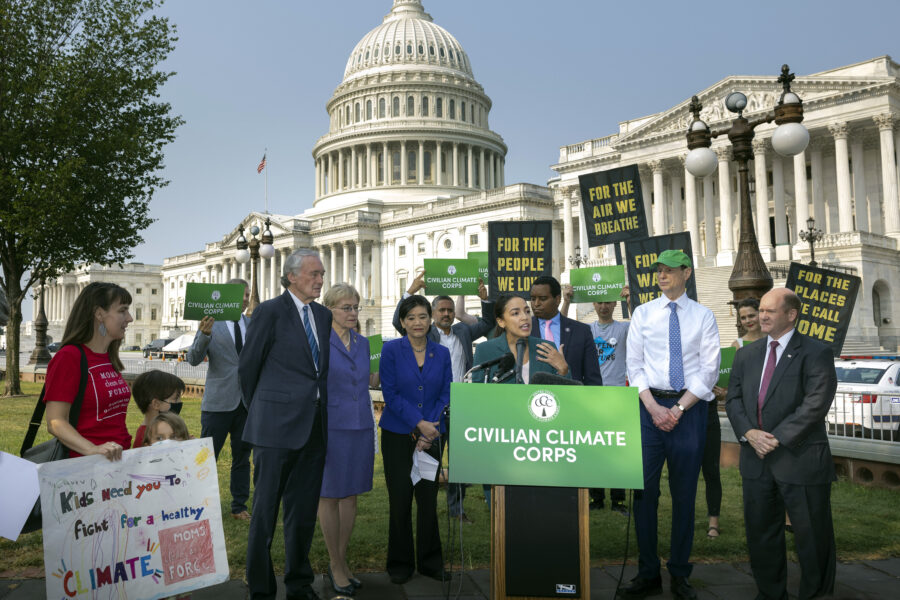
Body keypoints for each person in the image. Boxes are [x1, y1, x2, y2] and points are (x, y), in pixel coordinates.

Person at [726, 288, 838, 600]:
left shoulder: (816, 352)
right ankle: (770, 594)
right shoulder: (747, 354)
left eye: (769, 311)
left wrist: (773, 438)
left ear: (791, 315)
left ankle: (816, 594)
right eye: (760, 310)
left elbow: (816, 402)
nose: (761, 316)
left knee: (812, 537)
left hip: (799, 460)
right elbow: (733, 399)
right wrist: (749, 433)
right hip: (756, 461)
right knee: (761, 536)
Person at [623, 250, 720, 600]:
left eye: (668, 271)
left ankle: (680, 573)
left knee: (684, 496)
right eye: (658, 271)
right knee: (643, 494)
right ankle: (648, 572)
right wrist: (652, 407)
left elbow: (708, 371)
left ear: (687, 272)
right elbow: (634, 365)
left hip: (689, 410)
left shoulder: (704, 316)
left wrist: (677, 409)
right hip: (649, 411)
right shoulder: (644, 314)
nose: (661, 276)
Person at [239, 249, 331, 600]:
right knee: (263, 516)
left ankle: (299, 585)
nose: (320, 280)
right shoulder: (269, 312)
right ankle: (261, 591)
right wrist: (262, 410)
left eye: (321, 274)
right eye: (314, 274)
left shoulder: (322, 316)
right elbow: (248, 369)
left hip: (314, 430)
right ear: (292, 276)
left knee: (303, 516)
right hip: (273, 431)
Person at [393, 270, 495, 523]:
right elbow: (398, 322)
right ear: (432, 314)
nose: (447, 314)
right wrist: (411, 291)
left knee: (461, 460)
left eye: (450, 310)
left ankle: (456, 510)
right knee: (430, 459)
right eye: (442, 310)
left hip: (462, 406)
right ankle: (426, 507)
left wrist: (484, 299)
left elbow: (487, 323)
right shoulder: (426, 334)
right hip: (434, 409)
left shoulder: (463, 332)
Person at [379, 295, 452, 585]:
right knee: (400, 500)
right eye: (411, 318)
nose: (417, 323)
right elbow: (391, 393)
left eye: (422, 316)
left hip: (433, 435)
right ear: (402, 322)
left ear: (430, 318)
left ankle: (431, 562)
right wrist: (418, 424)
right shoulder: (391, 351)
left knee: (427, 498)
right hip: (398, 435)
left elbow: (447, 392)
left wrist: (429, 428)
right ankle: (400, 563)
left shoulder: (441, 353)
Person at [318, 283, 378, 596]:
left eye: (355, 307)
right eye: (346, 307)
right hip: (330, 426)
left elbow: (369, 381)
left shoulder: (365, 343)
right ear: (329, 310)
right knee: (329, 494)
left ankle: (341, 560)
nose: (353, 313)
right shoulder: (318, 341)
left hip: (361, 426)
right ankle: (335, 562)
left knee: (351, 494)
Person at [186, 278, 253, 521]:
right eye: (243, 294)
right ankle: (198, 504)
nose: (246, 299)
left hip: (246, 404)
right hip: (218, 403)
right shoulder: (210, 324)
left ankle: (239, 506)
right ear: (229, 296)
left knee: (242, 458)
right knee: (207, 458)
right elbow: (192, 359)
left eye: (247, 295)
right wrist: (203, 336)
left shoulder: (252, 324)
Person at [44, 282, 134, 461]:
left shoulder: (108, 357)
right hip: (85, 466)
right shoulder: (69, 357)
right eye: (122, 310)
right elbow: (55, 422)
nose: (130, 318)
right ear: (99, 314)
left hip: (118, 462)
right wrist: (93, 449)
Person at [706, 297, 763, 539]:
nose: (748, 320)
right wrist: (726, 392)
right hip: (749, 415)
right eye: (743, 317)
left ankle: (785, 516)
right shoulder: (737, 346)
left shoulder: (775, 341)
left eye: (752, 315)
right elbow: (734, 382)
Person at [470, 294, 569, 383]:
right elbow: (477, 394)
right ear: (501, 322)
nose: (525, 317)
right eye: (516, 313)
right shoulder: (485, 350)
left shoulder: (546, 348)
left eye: (527, 311)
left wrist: (564, 371)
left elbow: (567, 395)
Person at [530, 276, 603, 386]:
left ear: (557, 299)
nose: (536, 304)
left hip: (571, 399)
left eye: (543, 298)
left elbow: (593, 379)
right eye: (533, 299)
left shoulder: (581, 331)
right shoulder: (522, 330)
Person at [131, 370, 186, 448]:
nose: (179, 402)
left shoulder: (155, 432)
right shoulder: (146, 437)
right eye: (176, 398)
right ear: (156, 404)